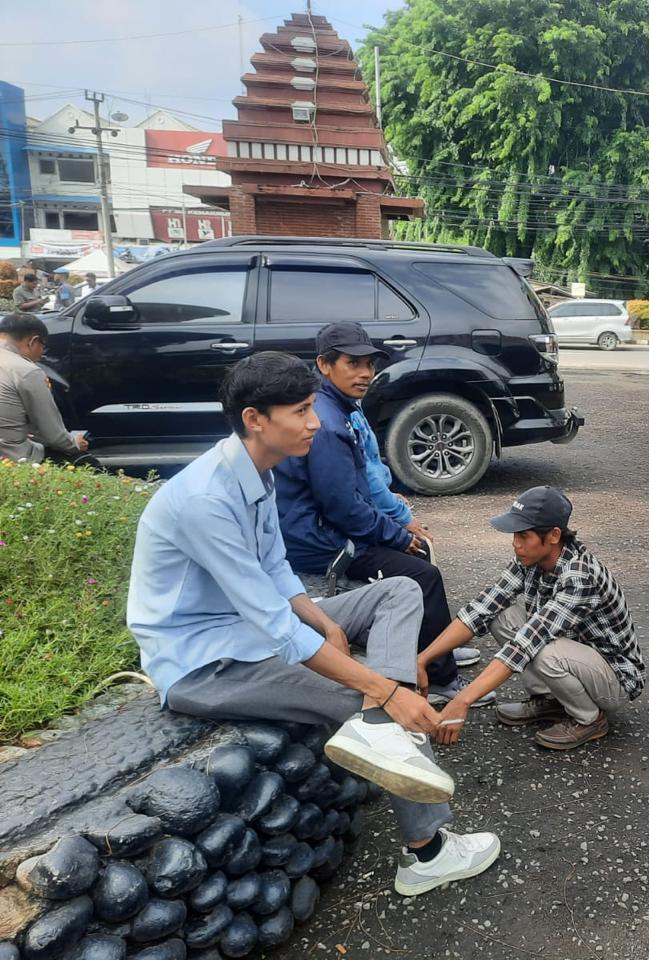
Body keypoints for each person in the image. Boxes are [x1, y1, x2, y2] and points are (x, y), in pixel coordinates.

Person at [128, 352, 501, 897]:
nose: (315, 423)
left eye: (311, 408)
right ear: (255, 419)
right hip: (206, 664)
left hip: (251, 632)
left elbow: (276, 567)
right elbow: (275, 626)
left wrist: (326, 623)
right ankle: (427, 853)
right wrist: (384, 691)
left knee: (400, 588)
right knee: (363, 700)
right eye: (301, 411)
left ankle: (382, 730)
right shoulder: (205, 499)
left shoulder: (256, 472)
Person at [274, 322, 477, 704]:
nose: (365, 373)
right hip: (319, 542)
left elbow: (357, 490)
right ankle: (441, 681)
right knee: (422, 574)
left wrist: (394, 524)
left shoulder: (338, 407)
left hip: (327, 528)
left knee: (415, 556)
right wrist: (396, 534)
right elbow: (343, 507)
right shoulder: (327, 422)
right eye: (352, 363)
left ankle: (433, 649)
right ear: (324, 365)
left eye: (369, 364)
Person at [422, 486, 644, 752]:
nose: (515, 543)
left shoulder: (579, 577)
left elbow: (526, 643)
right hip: (576, 653)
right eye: (515, 534)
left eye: (524, 535)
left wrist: (462, 701)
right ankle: (551, 701)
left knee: (544, 650)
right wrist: (422, 660)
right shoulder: (530, 558)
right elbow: (482, 608)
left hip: (615, 678)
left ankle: (589, 719)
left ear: (553, 536)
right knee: (500, 615)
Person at [0, 313, 88, 463]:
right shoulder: (26, 370)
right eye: (43, 346)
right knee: (87, 463)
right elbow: (54, 436)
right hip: (13, 460)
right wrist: (75, 444)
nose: (42, 355)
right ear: (33, 341)